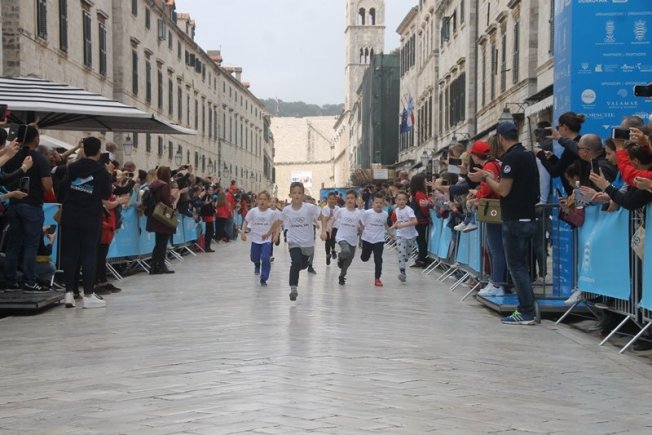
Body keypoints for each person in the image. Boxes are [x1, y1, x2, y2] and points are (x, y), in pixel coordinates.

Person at [469, 121, 540, 325]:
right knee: (522, 267)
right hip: (528, 215)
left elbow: (503, 190)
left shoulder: (510, 158)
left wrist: (485, 177)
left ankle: (526, 312)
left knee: (516, 267)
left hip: (515, 218)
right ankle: (529, 308)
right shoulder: (527, 155)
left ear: (500, 138)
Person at [59, 137, 113, 308]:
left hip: (70, 214)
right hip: (90, 216)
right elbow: (106, 194)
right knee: (89, 253)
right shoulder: (101, 170)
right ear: (98, 151)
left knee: (70, 253)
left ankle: (69, 293)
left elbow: (62, 188)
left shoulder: (72, 167)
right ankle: (88, 294)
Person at [3, 125, 53, 292]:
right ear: (36, 139)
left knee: (13, 244)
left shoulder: (10, 156)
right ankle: (29, 280)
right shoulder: (39, 159)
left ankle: (10, 281)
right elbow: (47, 186)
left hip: (14, 203)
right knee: (31, 245)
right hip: (32, 204)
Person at [467, 140, 507, 297]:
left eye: (472, 155)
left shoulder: (488, 167)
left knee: (495, 249)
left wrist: (476, 195)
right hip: (498, 208)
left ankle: (497, 283)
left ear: (476, 156)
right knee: (494, 248)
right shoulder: (495, 163)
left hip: (493, 210)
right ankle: (495, 281)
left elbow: (487, 189)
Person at [279, 182, 321, 301]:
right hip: (294, 241)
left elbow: (321, 215)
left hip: (307, 244)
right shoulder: (286, 210)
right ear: (290, 195)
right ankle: (293, 289)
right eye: (294, 193)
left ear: (303, 195)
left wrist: (323, 231)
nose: (297, 195)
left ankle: (306, 263)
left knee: (303, 265)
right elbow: (279, 222)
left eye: (299, 193)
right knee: (295, 262)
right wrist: (273, 233)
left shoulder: (309, 207)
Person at [241, 191, 280, 287]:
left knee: (266, 258)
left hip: (266, 240)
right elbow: (246, 221)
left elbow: (277, 225)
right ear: (257, 200)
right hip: (255, 239)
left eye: (265, 199)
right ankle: (257, 264)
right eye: (260, 199)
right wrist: (243, 232)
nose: (262, 201)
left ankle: (264, 278)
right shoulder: (253, 211)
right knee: (254, 257)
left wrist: (276, 235)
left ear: (269, 201)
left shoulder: (272, 213)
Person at [326, 190, 362, 286]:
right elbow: (333, 219)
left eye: (352, 198)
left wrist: (360, 228)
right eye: (348, 198)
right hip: (341, 237)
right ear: (345, 200)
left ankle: (342, 276)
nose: (350, 200)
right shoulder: (341, 211)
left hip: (353, 240)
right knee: (346, 251)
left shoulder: (359, 213)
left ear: (355, 200)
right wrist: (329, 227)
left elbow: (361, 225)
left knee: (348, 261)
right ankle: (340, 257)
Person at [146, 166, 177, 275]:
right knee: (162, 243)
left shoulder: (154, 184)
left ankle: (154, 267)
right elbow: (166, 201)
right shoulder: (164, 186)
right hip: (163, 218)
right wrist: (173, 197)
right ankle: (161, 266)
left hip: (155, 216)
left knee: (158, 243)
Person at [359, 192, 390, 287]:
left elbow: (385, 224)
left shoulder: (385, 214)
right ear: (372, 203)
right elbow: (361, 222)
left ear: (383, 204)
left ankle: (377, 278)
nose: (378, 204)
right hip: (367, 239)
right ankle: (364, 255)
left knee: (378, 259)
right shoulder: (367, 213)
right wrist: (361, 229)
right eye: (377, 202)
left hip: (379, 240)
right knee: (364, 258)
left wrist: (390, 232)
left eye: (381, 203)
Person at [390, 191, 418, 283]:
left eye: (403, 199)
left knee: (407, 254)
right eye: (399, 199)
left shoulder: (409, 210)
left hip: (411, 235)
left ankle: (406, 257)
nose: (401, 201)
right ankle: (402, 273)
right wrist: (392, 227)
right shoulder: (396, 210)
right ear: (396, 201)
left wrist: (403, 225)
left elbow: (415, 221)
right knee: (401, 253)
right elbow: (399, 221)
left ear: (406, 201)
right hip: (400, 234)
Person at [409, 174, 431, 268]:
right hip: (420, 220)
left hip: (418, 220)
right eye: (424, 181)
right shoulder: (419, 194)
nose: (426, 183)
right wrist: (428, 215)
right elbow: (424, 208)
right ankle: (422, 259)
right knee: (421, 240)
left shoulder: (416, 194)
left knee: (420, 240)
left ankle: (422, 259)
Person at [321, 191, 340, 266]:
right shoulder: (325, 208)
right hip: (327, 227)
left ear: (335, 200)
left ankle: (333, 250)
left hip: (335, 226)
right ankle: (327, 255)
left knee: (333, 238)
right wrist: (330, 215)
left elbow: (339, 217)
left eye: (333, 199)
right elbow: (324, 219)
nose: (332, 200)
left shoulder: (338, 208)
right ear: (327, 200)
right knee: (328, 241)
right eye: (330, 199)